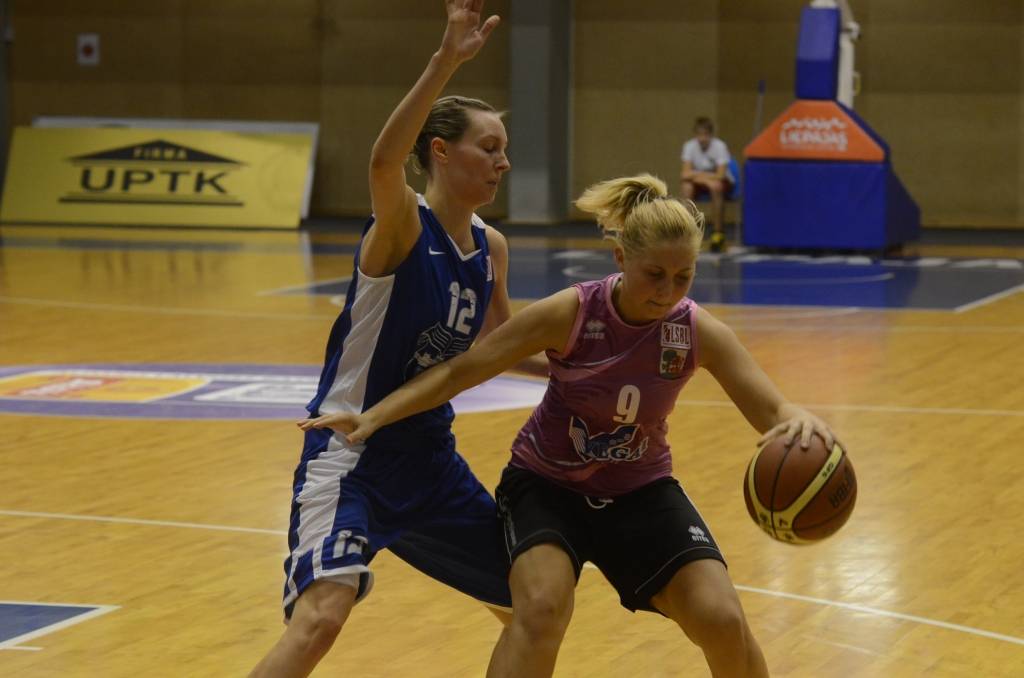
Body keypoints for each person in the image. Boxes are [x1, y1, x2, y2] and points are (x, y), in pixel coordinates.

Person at [303, 173, 847, 678]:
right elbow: (460, 371)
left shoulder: (695, 330)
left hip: (640, 490)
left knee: (722, 619)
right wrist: (374, 415)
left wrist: (797, 419)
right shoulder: (573, 312)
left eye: (683, 277)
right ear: (620, 258)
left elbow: (773, 410)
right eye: (654, 275)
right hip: (546, 487)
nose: (667, 291)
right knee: (540, 610)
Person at [249, 2, 520, 676]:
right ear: (440, 151)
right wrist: (445, 62)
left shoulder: (490, 247)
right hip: (353, 453)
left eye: (504, 151)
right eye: (489, 148)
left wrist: (601, 354)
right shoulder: (402, 224)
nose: (503, 163)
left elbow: (508, 345)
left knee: (531, 605)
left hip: (431, 463)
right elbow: (382, 160)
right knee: (322, 619)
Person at [681, 116, 735, 252]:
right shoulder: (689, 146)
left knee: (715, 186)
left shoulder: (720, 146)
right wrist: (706, 179)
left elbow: (720, 175)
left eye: (705, 134)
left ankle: (717, 233)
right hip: (702, 182)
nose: (702, 138)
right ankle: (688, 232)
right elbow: (685, 174)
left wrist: (697, 175)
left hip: (722, 183)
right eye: (699, 134)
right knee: (686, 187)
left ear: (711, 135)